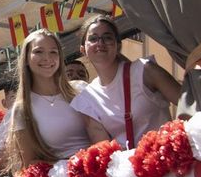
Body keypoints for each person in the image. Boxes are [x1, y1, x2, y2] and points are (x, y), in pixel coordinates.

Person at [71, 14, 182, 147]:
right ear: (83, 49)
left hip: (166, 157)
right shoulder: (87, 98)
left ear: (118, 46)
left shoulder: (145, 71)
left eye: (107, 38)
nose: (100, 43)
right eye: (93, 38)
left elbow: (188, 105)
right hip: (126, 165)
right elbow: (104, 148)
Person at [0, 28, 91, 173]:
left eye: (53, 52)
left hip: (97, 171)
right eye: (38, 52)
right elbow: (30, 163)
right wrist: (72, 166)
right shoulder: (21, 109)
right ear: (26, 59)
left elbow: (103, 135)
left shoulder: (81, 89)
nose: (47, 58)